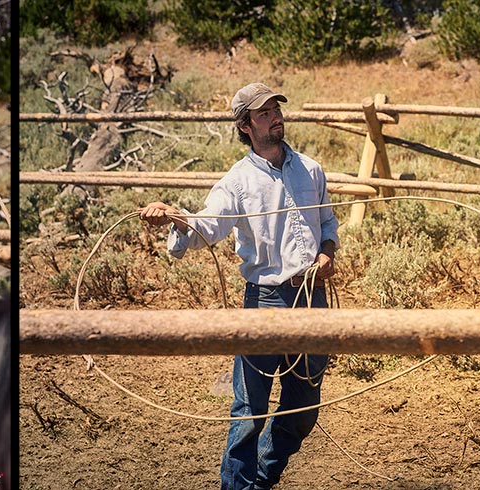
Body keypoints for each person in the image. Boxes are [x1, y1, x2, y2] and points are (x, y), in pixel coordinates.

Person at [140, 82, 338, 489]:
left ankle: (261, 479)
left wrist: (328, 253)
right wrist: (174, 215)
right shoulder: (237, 182)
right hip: (265, 299)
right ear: (246, 125)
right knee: (250, 410)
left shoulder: (311, 169)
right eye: (264, 113)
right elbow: (208, 225)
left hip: (311, 299)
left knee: (303, 410)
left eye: (276, 110)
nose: (276, 117)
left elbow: (329, 224)